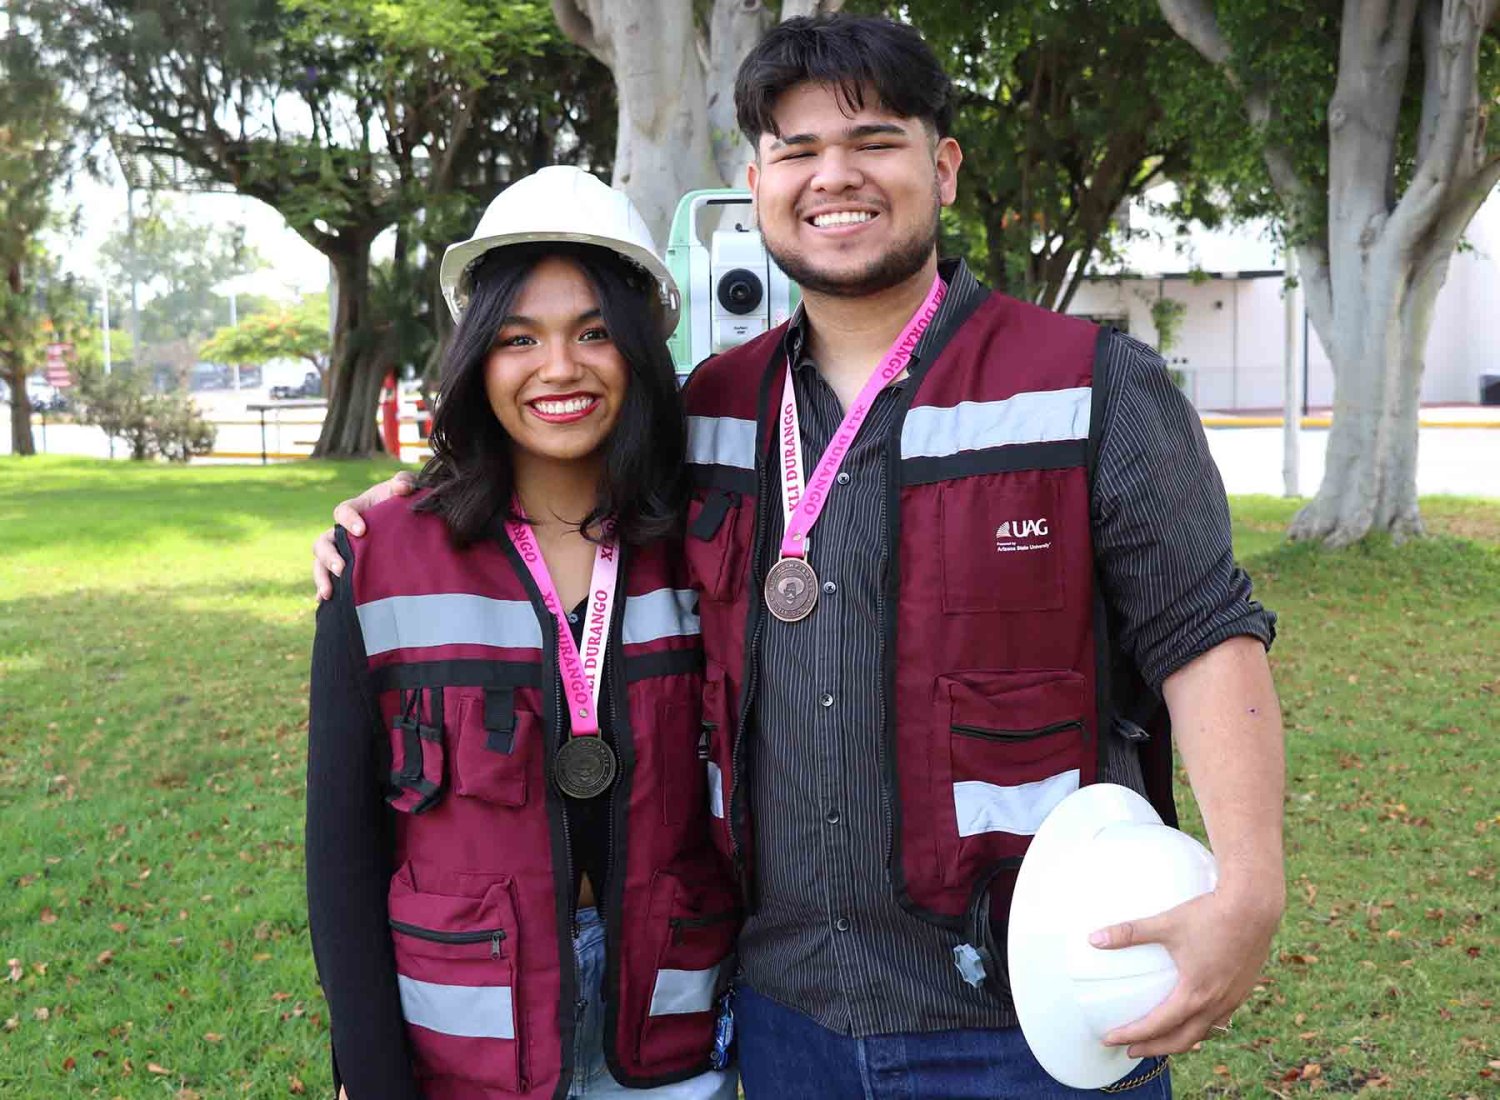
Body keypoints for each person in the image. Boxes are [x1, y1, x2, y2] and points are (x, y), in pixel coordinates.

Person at [315, 15, 1285, 1098]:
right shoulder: (712, 414)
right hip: (783, 1025)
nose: (836, 176)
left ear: (945, 166)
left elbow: (1204, 628)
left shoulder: (1092, 384)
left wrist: (1248, 884)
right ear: (757, 177)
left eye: (873, 140)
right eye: (797, 148)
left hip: (1022, 1012)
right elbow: (564, 462)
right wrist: (411, 504)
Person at [306, 166, 740, 1100]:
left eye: (593, 333)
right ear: (476, 358)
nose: (559, 369)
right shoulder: (377, 558)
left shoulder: (709, 539)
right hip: (465, 1044)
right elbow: (341, 851)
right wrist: (370, 1074)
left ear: (637, 348)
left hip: (668, 1031)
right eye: (519, 338)